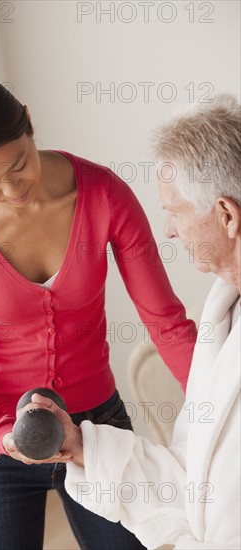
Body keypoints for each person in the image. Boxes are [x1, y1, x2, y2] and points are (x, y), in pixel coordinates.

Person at [0, 72, 197, 550]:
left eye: (18, 166)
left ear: (28, 121)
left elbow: (167, 324)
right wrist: (3, 436)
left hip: (99, 430)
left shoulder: (104, 194)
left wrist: (225, 409)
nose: (10, 190)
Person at [28, 94, 241, 549]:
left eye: (176, 211)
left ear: (226, 215)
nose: (167, 229)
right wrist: (83, 447)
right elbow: (193, 479)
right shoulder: (224, 317)